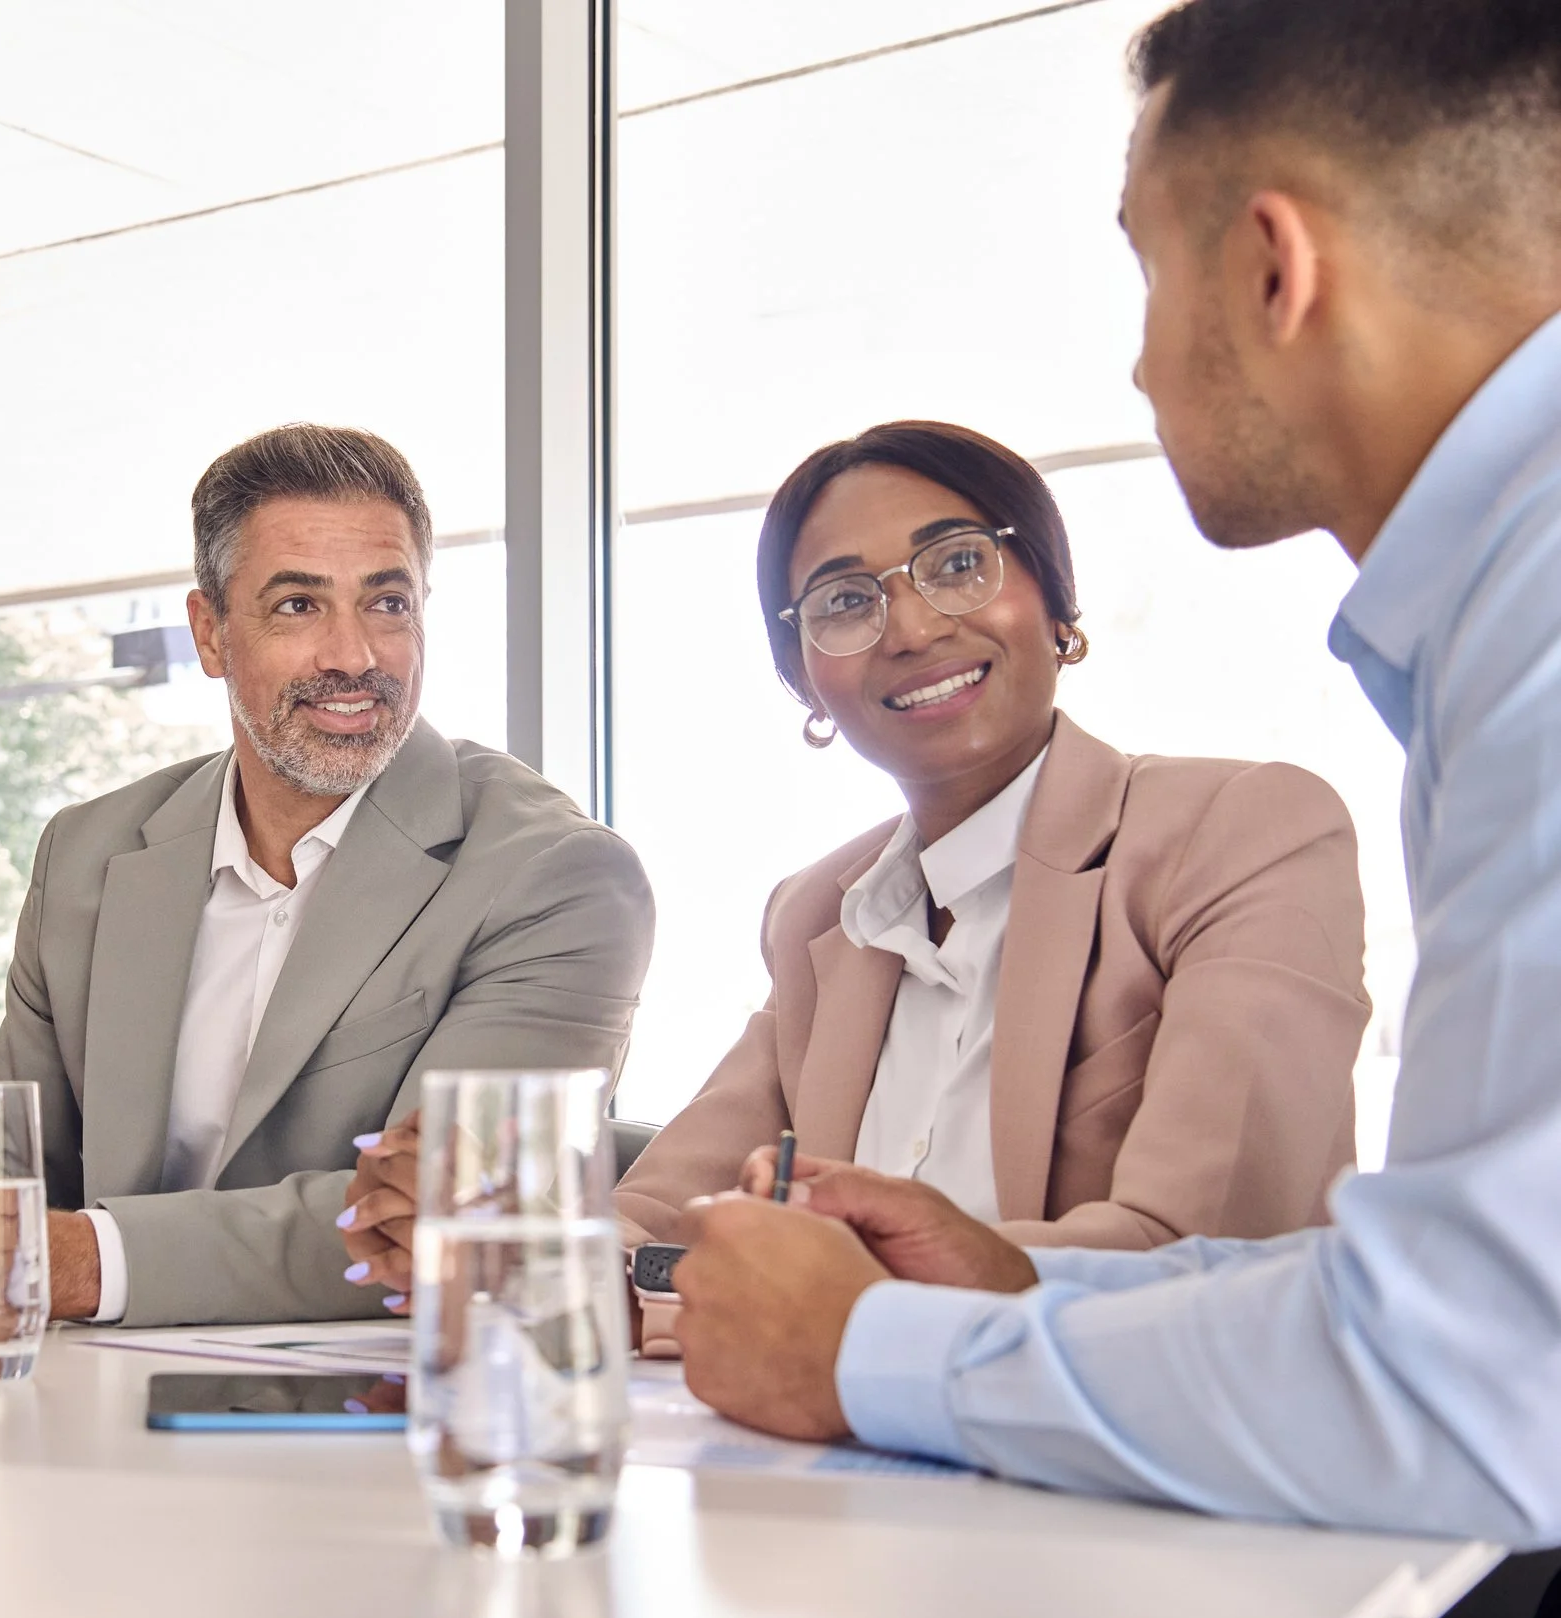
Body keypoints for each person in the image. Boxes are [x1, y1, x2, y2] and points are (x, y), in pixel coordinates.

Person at [667, 0, 1561, 1553]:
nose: (1140, 368)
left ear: (1275, 268)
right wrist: (1004, 1274)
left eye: (1147, 270)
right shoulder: (1488, 624)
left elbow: (1485, 1377)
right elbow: (1443, 1292)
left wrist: (864, 1348)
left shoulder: (1515, 644)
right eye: (845, 597)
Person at [338, 421, 1370, 1304]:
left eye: (958, 563)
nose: (913, 626)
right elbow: (660, 1214)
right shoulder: (820, 916)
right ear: (802, 681)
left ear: (1055, 604)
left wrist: (838, 1285)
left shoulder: (1240, 831)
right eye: (843, 600)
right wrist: (502, 1246)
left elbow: (1212, 1258)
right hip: (858, 1465)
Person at [0, 422, 655, 1326]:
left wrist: (82, 1259)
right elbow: (3, 1170)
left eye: (386, 602)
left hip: (374, 1436)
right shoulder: (91, 853)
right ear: (211, 632)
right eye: (298, 603)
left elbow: (454, 1214)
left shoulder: (558, 878)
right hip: (81, 1419)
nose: (354, 655)